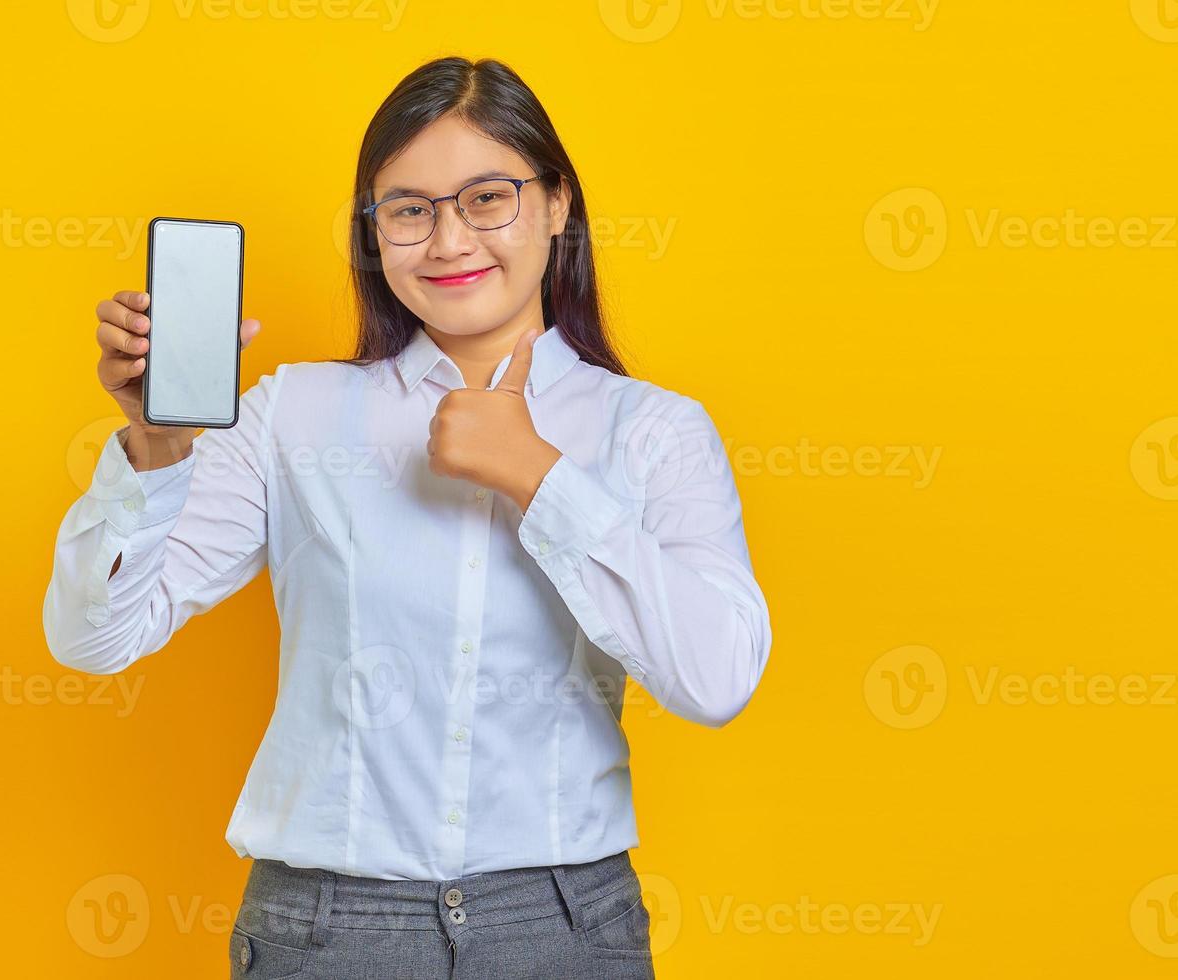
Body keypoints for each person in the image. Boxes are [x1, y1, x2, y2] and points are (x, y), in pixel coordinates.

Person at [44, 55, 772, 979]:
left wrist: (540, 477)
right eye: (409, 209)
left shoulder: (652, 431)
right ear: (374, 232)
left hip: (561, 928)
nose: (448, 240)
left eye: (486, 197)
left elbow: (716, 679)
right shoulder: (290, 414)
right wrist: (156, 451)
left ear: (556, 204)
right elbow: (94, 639)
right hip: (328, 928)